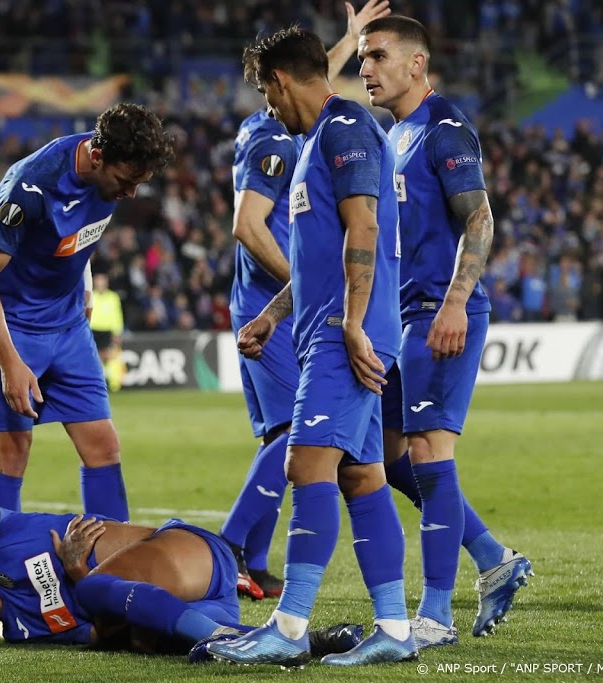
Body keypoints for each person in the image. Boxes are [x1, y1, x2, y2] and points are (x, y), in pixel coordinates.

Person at [206, 26, 416, 668]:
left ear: (280, 81)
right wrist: (272, 313)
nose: (268, 107)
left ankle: (290, 625)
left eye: (267, 92)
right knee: (362, 476)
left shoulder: (345, 126)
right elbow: (319, 255)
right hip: (327, 324)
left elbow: (364, 225)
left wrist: (352, 324)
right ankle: (395, 631)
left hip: (342, 335)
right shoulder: (316, 142)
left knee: (305, 465)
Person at [356, 15, 533, 648]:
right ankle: (493, 557)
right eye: (359, 59)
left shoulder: (443, 127)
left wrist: (456, 301)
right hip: (402, 319)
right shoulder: (392, 134)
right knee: (386, 458)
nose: (366, 69)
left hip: (440, 314)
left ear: (416, 64)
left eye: (376, 56)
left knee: (430, 456)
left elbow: (479, 218)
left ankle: (435, 614)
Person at [0, 475, 362, 659]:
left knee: (99, 593)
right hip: (185, 601)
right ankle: (304, 641)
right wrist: (79, 576)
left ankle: (241, 640)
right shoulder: (23, 634)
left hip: (185, 549)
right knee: (142, 642)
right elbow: (105, 633)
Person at [0, 104, 174, 521]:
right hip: (14, 327)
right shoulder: (33, 188)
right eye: (126, 181)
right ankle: (2, 575)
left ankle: (111, 565)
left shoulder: (108, 177)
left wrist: (87, 285)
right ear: (98, 158)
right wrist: (10, 362)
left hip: (68, 325)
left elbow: (77, 230)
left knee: (103, 446)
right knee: (12, 451)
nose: (130, 193)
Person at [88, 271, 126, 392]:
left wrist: (117, 331)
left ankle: (114, 384)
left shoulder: (113, 297)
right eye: (98, 280)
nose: (100, 283)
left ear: (106, 282)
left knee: (110, 356)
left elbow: (117, 315)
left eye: (102, 280)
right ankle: (96, 382)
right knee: (95, 357)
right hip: (93, 330)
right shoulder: (90, 296)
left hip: (108, 330)